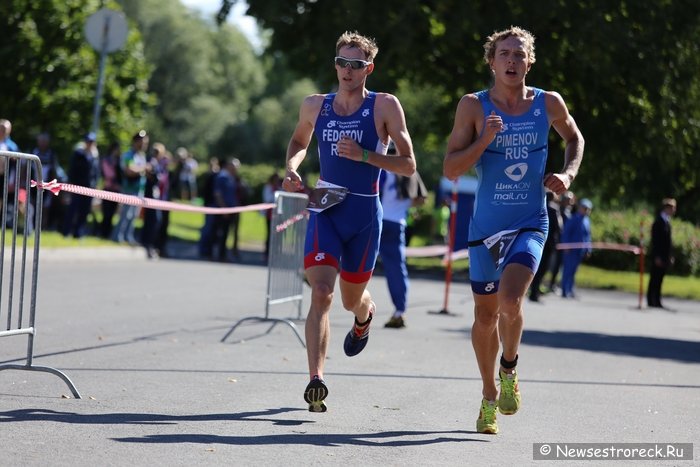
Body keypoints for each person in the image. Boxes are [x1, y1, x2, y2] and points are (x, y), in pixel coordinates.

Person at [443, 26, 584, 434]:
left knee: (510, 300)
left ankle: (510, 367)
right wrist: (484, 139)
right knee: (484, 317)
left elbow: (575, 138)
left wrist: (568, 174)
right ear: (491, 61)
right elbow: (451, 169)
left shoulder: (548, 103)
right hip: (485, 229)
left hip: (530, 221)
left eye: (519, 55)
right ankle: (489, 393)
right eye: (504, 54)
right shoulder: (473, 106)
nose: (511, 61)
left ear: (530, 61)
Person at [282, 31, 416, 413]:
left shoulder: (384, 106)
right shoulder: (315, 105)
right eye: (342, 62)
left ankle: (364, 315)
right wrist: (292, 168)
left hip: (364, 215)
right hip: (326, 207)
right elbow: (298, 142)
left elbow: (409, 165)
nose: (347, 70)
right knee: (321, 292)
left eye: (356, 65)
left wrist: (364, 156)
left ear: (368, 69)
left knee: (350, 300)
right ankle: (316, 379)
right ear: (335, 64)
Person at [379, 141, 427, 328]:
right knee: (396, 269)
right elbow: (422, 198)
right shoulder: (409, 170)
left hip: (377, 220)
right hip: (397, 223)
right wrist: (404, 206)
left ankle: (323, 273)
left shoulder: (380, 167)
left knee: (356, 258)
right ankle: (400, 310)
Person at [111, 130, 148, 244]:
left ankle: (128, 236)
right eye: (142, 142)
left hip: (139, 190)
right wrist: (143, 168)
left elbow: (137, 169)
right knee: (125, 214)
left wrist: (141, 168)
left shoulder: (141, 156)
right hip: (128, 189)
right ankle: (117, 236)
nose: (144, 145)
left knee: (133, 215)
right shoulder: (128, 155)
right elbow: (129, 171)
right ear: (136, 141)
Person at [62, 132, 100, 238]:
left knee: (84, 211)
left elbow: (96, 173)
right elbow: (72, 170)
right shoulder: (78, 154)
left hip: (89, 187)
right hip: (77, 186)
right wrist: (70, 184)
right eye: (88, 141)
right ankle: (66, 231)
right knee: (72, 209)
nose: (90, 144)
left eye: (91, 142)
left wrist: (96, 186)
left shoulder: (95, 156)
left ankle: (78, 232)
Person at [528, 191, 562, 302]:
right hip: (548, 244)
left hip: (537, 241)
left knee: (535, 268)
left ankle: (532, 290)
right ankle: (535, 293)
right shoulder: (554, 209)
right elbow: (559, 227)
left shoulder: (536, 208)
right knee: (543, 269)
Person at [560, 198, 593, 298]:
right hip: (571, 250)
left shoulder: (587, 221)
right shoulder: (573, 219)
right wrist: (566, 246)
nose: (586, 210)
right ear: (580, 208)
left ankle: (570, 289)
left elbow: (587, 236)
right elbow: (566, 233)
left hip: (580, 250)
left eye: (588, 209)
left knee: (574, 271)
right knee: (567, 270)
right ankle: (565, 290)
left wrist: (588, 249)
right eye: (584, 208)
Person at [647, 198, 676, 309]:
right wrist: (657, 256)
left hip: (664, 256)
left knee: (660, 278)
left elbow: (668, 242)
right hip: (658, 256)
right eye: (672, 208)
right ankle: (651, 300)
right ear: (667, 208)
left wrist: (670, 255)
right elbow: (656, 241)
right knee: (654, 277)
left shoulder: (667, 222)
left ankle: (657, 300)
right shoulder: (658, 222)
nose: (674, 210)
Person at [548, 190, 575, 292]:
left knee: (558, 266)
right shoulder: (558, 211)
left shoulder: (569, 212)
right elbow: (560, 229)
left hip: (564, 244)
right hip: (557, 242)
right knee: (551, 265)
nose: (569, 202)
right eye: (567, 200)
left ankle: (552, 283)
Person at [100, 142, 122, 238]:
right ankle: (102, 232)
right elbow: (107, 174)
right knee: (106, 213)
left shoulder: (118, 161)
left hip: (116, 190)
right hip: (107, 189)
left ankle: (107, 233)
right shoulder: (106, 160)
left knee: (112, 213)